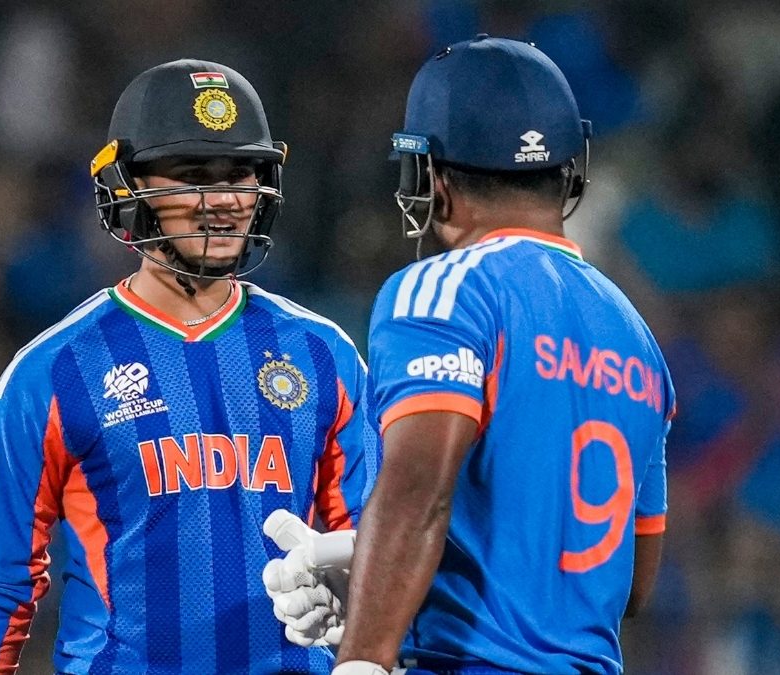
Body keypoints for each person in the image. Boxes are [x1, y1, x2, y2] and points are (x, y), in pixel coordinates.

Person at [0, 59, 380, 674]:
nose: (226, 199)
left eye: (241, 173)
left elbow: (374, 550)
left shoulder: (324, 353)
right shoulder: (51, 371)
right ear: (127, 188)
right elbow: (0, 590)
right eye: (193, 175)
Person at [267, 37, 674, 675]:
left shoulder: (444, 290)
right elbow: (635, 583)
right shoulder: (636, 335)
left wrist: (365, 654)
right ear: (571, 167)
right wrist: (378, 573)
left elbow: (417, 491)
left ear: (429, 175)